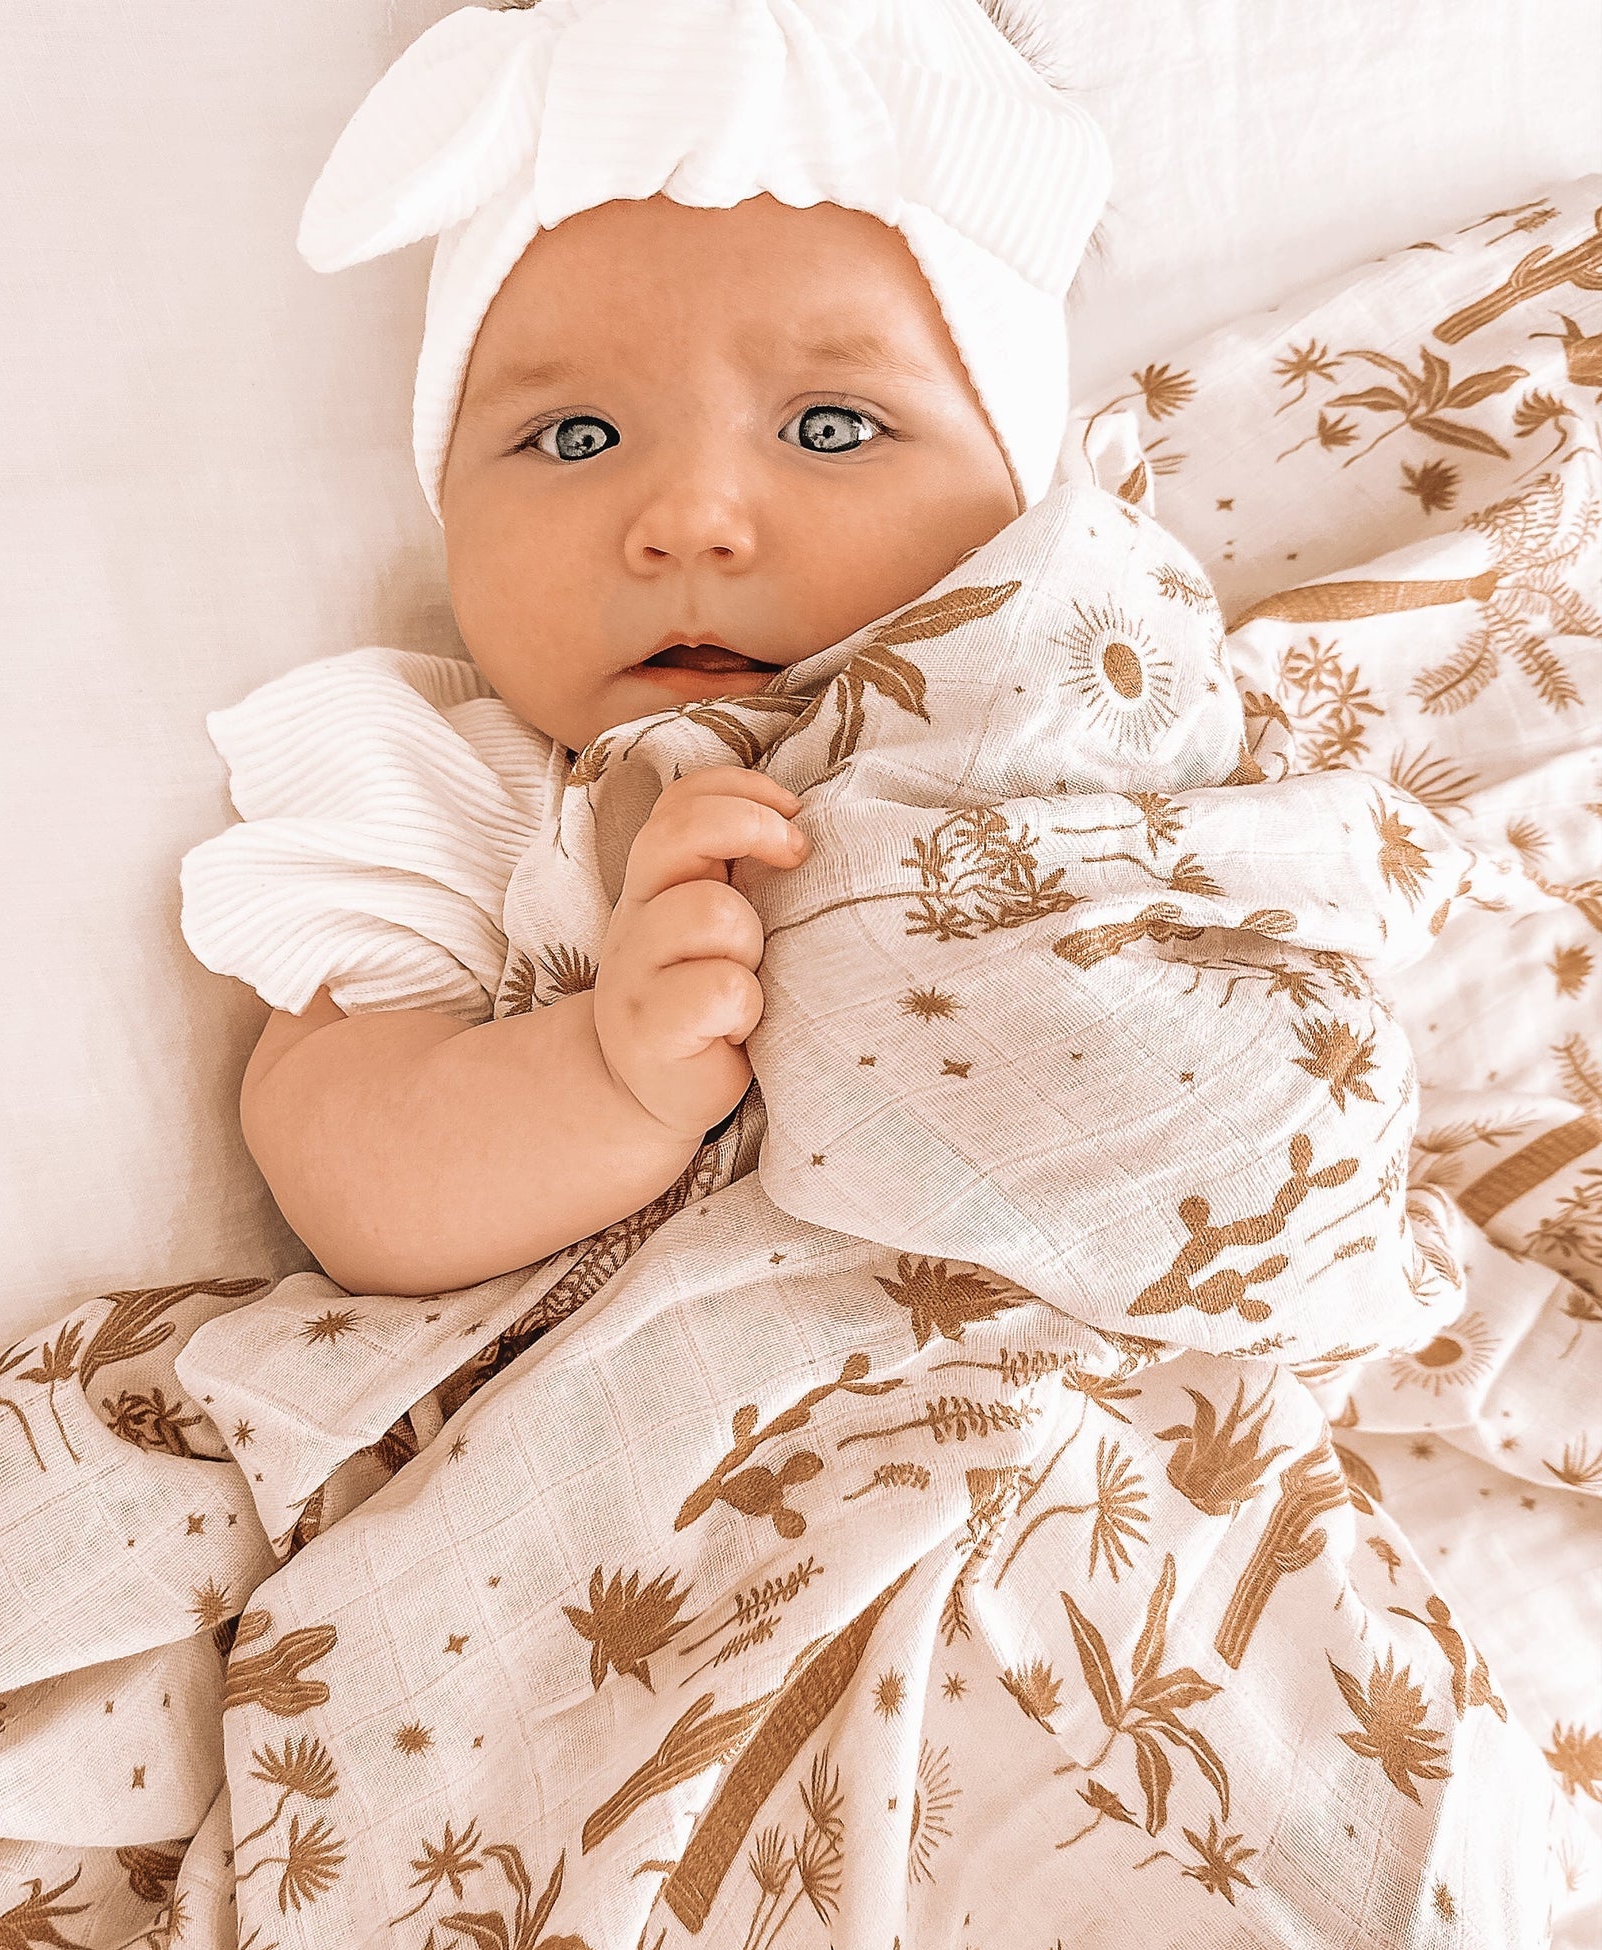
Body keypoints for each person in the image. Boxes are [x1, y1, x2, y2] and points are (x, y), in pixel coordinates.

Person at [180, 0, 1112, 1298]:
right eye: (578, 438)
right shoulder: (478, 800)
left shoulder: (1103, 688)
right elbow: (340, 1164)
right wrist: (604, 1080)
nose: (689, 522)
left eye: (831, 429)